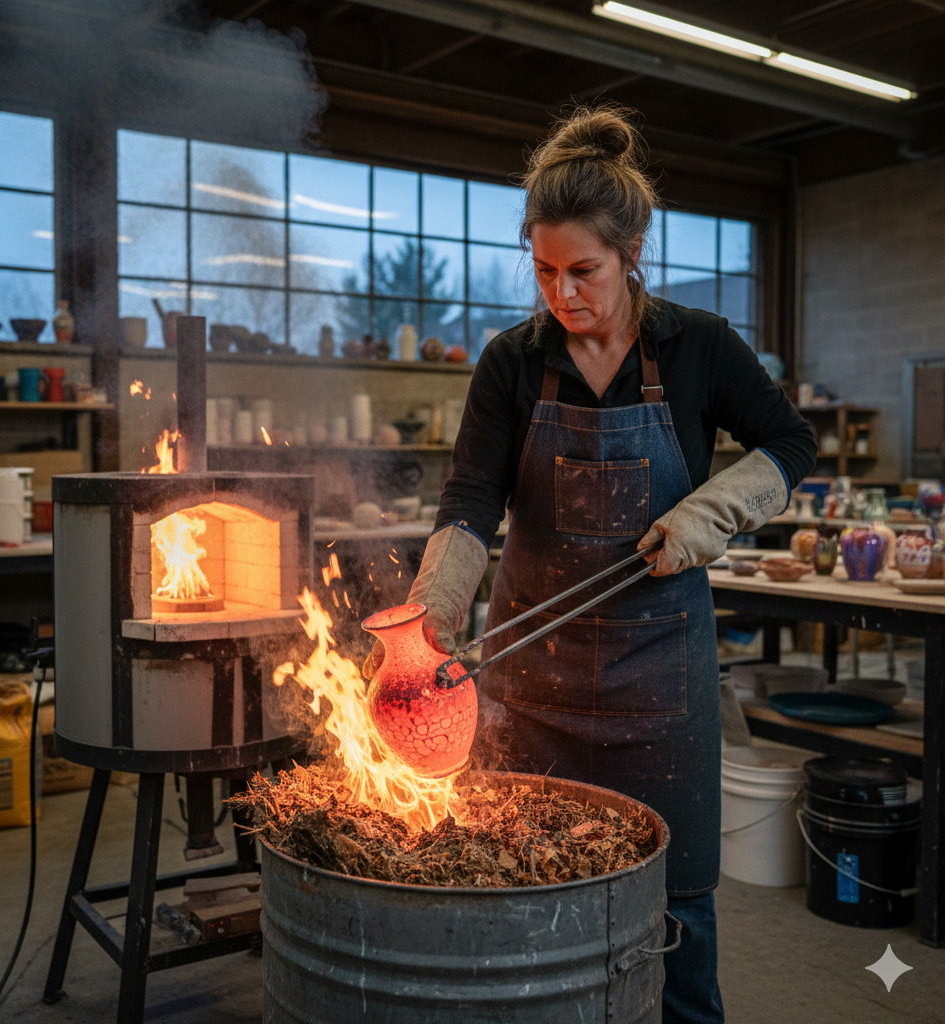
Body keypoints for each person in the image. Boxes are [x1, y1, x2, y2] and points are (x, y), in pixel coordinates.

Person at [365, 105, 816, 1023]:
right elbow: (470, 502)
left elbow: (790, 443)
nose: (562, 294)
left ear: (632, 251)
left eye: (584, 271)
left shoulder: (698, 346)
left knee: (677, 899)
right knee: (524, 889)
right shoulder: (512, 363)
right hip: (532, 682)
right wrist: (433, 614)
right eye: (544, 271)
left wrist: (710, 512)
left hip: (661, 679)